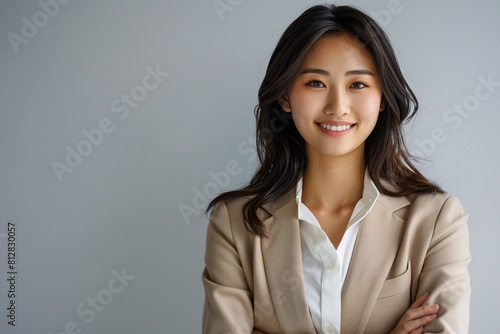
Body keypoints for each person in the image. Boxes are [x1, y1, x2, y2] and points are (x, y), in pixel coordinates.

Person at [202, 4, 470, 334]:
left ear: (382, 97)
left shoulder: (436, 220)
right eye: (315, 83)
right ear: (286, 97)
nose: (337, 107)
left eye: (358, 85)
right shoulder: (234, 224)